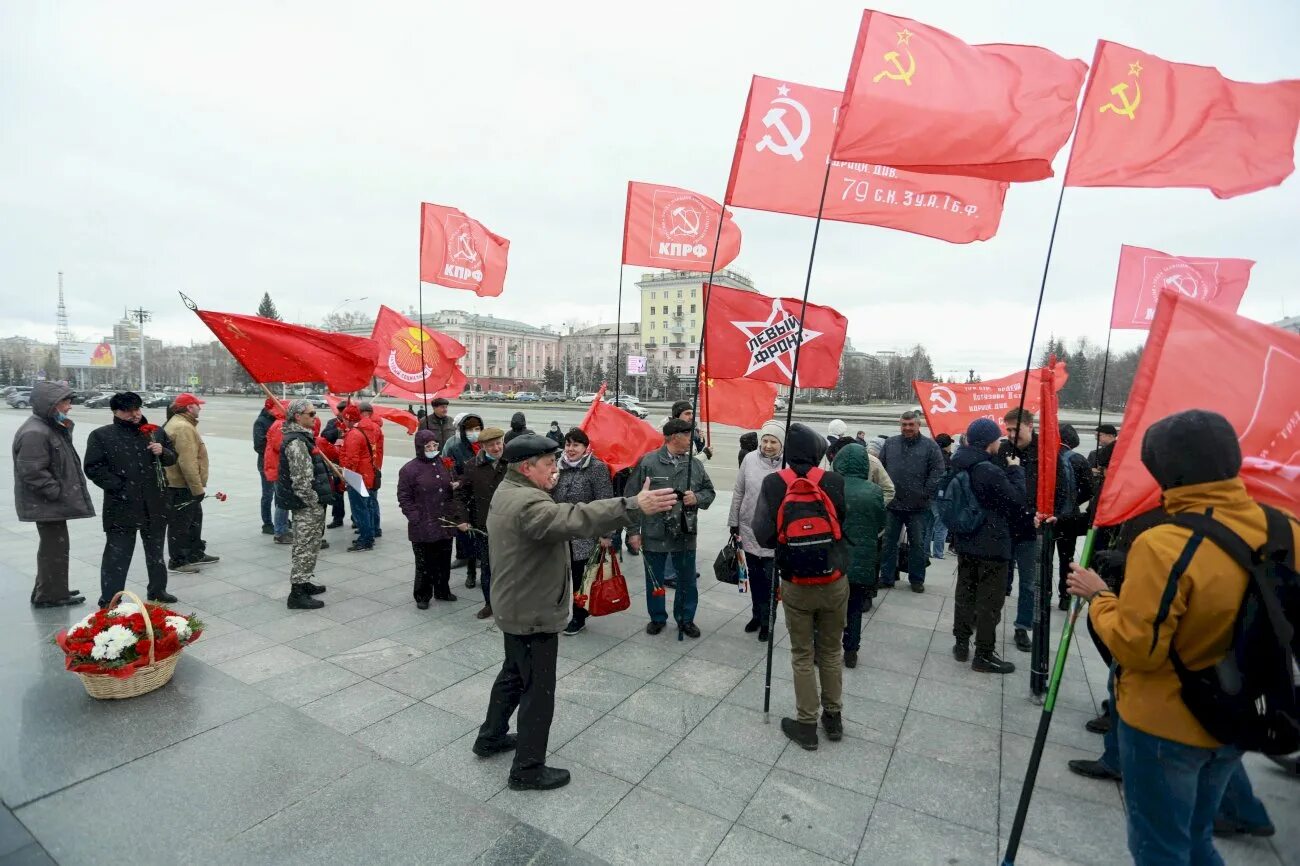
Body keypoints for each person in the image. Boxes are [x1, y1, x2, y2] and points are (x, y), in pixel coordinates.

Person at [1066, 409, 1300, 866]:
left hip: (1166, 723)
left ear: (1164, 471)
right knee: (1197, 839)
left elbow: (1139, 648)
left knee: (1160, 848)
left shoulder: (1166, 543)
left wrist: (1099, 598)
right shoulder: (1284, 528)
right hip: (1242, 708)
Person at [473, 434, 677, 791]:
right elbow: (575, 518)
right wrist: (632, 505)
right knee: (538, 691)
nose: (556, 468)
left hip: (517, 603)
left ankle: (490, 737)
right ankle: (527, 769)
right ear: (526, 467)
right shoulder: (527, 502)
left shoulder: (510, 489)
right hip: (532, 609)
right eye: (549, 463)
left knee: (513, 675)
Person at [751, 422, 848, 751]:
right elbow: (841, 523)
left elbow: (763, 534)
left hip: (796, 582)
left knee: (802, 653)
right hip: (834, 578)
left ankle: (806, 723)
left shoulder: (774, 483)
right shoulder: (833, 481)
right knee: (832, 650)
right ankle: (833, 718)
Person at [83, 392, 178, 607]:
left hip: (154, 503)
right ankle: (110, 599)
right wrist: (120, 487)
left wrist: (162, 451)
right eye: (128, 411)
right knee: (117, 555)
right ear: (116, 412)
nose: (135, 414)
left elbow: (173, 458)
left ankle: (157, 590)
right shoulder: (102, 435)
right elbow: (94, 468)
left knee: (155, 552)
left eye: (137, 409)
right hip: (121, 506)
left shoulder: (155, 432)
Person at [948, 418, 1025, 674]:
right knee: (989, 602)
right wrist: (1015, 470)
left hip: (966, 539)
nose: (999, 442)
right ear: (989, 441)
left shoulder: (958, 462)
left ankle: (961, 643)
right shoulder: (989, 470)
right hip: (992, 544)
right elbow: (1015, 501)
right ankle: (983, 654)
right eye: (997, 438)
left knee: (965, 594)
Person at [625, 419, 716, 637]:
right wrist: (633, 532)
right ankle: (657, 618)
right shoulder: (648, 462)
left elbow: (709, 492)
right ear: (674, 436)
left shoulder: (695, 464)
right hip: (654, 532)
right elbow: (632, 498)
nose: (691, 440)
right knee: (654, 579)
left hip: (685, 532)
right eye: (688, 435)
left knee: (686, 581)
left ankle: (686, 619)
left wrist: (697, 497)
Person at [997, 407, 1073, 652]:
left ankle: (1022, 626)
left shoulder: (1047, 453)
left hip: (1033, 528)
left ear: (1030, 426)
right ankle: (987, 616)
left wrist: (1052, 515)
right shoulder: (1003, 450)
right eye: (1007, 429)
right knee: (997, 576)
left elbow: (1061, 489)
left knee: (1029, 583)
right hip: (1006, 525)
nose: (1011, 434)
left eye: (1015, 429)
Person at [12, 381, 92, 607]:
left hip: (49, 504)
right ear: (50, 404)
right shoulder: (35, 431)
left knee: (54, 548)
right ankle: (50, 595)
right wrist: (55, 491)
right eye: (65, 402)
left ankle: (51, 588)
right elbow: (32, 470)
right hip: (47, 504)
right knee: (53, 549)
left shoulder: (46, 426)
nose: (69, 407)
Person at [553, 428, 615, 636]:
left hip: (583, 534)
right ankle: (558, 612)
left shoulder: (596, 468)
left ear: (585, 447)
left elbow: (605, 502)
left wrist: (606, 534)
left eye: (576, 445)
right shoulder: (556, 465)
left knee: (581, 577)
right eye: (568, 445)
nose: (570, 449)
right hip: (560, 531)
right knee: (559, 576)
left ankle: (579, 616)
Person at [398, 429, 467, 608]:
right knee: (425, 563)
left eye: (435, 445)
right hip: (423, 524)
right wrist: (415, 517)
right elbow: (404, 497)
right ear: (420, 447)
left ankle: (442, 590)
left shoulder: (445, 463)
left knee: (444, 560)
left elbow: (455, 482)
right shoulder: (409, 469)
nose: (432, 448)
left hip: (444, 521)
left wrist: (456, 484)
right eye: (428, 446)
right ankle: (422, 595)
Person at [728, 421, 784, 643]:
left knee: (771, 582)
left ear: (781, 444)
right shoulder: (750, 458)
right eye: (765, 440)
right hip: (749, 527)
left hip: (773, 533)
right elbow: (739, 490)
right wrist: (734, 521)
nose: (768, 445)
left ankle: (768, 621)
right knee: (755, 578)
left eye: (773, 442)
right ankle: (756, 615)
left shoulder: (787, 465)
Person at [832, 441, 886, 668]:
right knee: (854, 609)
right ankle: (851, 650)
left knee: (829, 608)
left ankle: (822, 649)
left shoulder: (830, 487)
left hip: (835, 559)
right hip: (861, 561)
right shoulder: (873, 491)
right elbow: (880, 524)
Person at [878, 411, 944, 592]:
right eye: (904, 425)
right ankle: (887, 577)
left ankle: (917, 579)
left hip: (918, 507)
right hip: (893, 504)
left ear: (918, 425)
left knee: (918, 544)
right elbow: (881, 469)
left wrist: (925, 493)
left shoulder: (931, 447)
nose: (907, 428)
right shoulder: (890, 444)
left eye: (910, 425)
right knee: (888, 543)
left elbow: (938, 472)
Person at [278, 400, 332, 609]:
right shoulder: (297, 442)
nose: (314, 416)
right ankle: (297, 593)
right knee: (304, 546)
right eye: (310, 413)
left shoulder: (304, 438)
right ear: (297, 416)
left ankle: (304, 580)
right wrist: (313, 502)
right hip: (306, 504)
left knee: (311, 545)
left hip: (310, 503)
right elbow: (301, 480)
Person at [163, 393, 217, 573]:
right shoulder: (183, 427)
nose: (200, 408)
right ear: (189, 408)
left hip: (182, 484)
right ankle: (178, 560)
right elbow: (187, 461)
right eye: (197, 405)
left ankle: (195, 552)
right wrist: (197, 488)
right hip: (180, 485)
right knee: (181, 524)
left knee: (194, 520)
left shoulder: (181, 423)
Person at [458, 426, 507, 619]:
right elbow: (461, 494)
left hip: (510, 526)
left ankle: (509, 603)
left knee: (510, 568)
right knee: (487, 567)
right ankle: (490, 603)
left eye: (499, 443)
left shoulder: (513, 462)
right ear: (482, 446)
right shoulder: (472, 466)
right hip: (484, 527)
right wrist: (462, 519)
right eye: (491, 445)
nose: (496, 448)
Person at [1054, 424, 1094, 609]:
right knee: (1066, 558)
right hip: (1069, 518)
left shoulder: (1047, 456)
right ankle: (1065, 596)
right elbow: (1089, 490)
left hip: (1047, 515)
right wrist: (1073, 501)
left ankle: (1044, 593)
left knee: (1044, 556)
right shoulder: (1079, 460)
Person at [444, 412, 484, 582]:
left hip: (484, 497)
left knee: (483, 537)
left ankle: (483, 568)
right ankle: (470, 572)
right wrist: (460, 482)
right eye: (470, 429)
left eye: (477, 428)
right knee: (468, 537)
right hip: (466, 498)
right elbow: (451, 471)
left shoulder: (486, 446)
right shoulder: (455, 447)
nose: (474, 432)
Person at [340, 404, 379, 552]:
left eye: (344, 418)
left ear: (348, 419)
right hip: (365, 475)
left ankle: (365, 540)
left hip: (357, 477)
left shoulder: (353, 435)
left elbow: (352, 459)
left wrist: (347, 477)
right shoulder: (359, 431)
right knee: (365, 507)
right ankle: (368, 536)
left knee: (359, 509)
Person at [263, 415, 294, 544]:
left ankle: (283, 528)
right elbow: (280, 446)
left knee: (283, 501)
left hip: (279, 468)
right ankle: (280, 532)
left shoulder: (280, 423)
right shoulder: (281, 425)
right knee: (282, 502)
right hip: (279, 469)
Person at [253, 397, 282, 535]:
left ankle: (279, 520)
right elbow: (258, 445)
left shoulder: (279, 420)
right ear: (268, 408)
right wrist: (273, 446)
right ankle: (267, 523)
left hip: (279, 463)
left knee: (280, 493)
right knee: (267, 494)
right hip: (266, 464)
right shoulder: (260, 422)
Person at [321, 399, 349, 528]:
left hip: (350, 461)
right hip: (336, 462)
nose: (341, 415)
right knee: (338, 492)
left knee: (354, 492)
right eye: (340, 412)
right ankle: (338, 518)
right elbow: (324, 436)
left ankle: (356, 519)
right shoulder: (332, 423)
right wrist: (337, 432)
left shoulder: (354, 424)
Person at [359, 403, 385, 538]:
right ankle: (374, 527)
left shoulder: (369, 428)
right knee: (372, 499)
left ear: (363, 413)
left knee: (368, 500)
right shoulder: (377, 427)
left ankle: (371, 528)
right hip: (375, 467)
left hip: (369, 469)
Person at [929, 433, 955, 559]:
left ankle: (925, 550)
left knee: (929, 525)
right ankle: (938, 552)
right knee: (941, 525)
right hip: (940, 495)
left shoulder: (931, 455)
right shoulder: (945, 459)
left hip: (929, 494)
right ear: (946, 445)